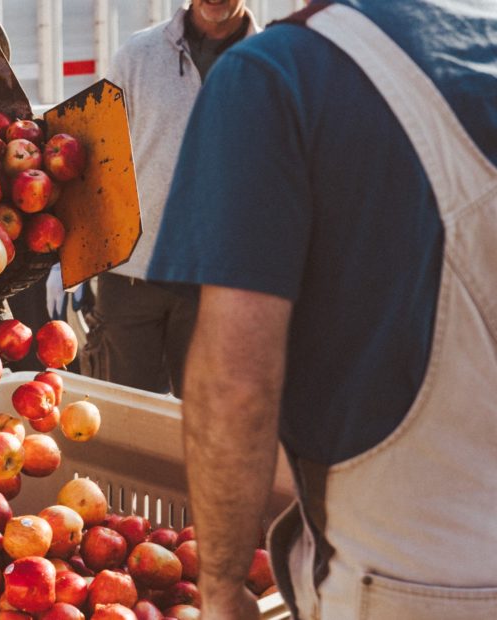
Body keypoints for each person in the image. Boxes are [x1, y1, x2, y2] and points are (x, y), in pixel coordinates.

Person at [148, 1, 497, 618]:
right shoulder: (483, 46)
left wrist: (224, 586)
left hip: (409, 577)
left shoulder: (273, 76)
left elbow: (236, 384)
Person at [78, 0, 261, 397]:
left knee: (205, 423)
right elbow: (96, 156)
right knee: (128, 416)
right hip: (131, 274)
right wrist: (80, 256)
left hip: (216, 282)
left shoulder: (269, 65)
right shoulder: (137, 54)